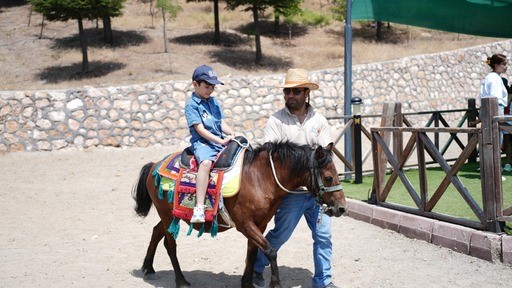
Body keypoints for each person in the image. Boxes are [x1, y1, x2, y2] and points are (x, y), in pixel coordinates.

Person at [253, 68, 339, 288]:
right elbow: (270, 156)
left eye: (296, 91)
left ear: (306, 93)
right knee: (280, 235)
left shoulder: (319, 121)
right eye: (288, 91)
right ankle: (256, 266)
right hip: (292, 194)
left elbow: (326, 155)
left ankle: (323, 281)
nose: (291, 95)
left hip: (318, 193)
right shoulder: (276, 121)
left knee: (323, 236)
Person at [185, 64, 235, 223]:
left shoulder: (213, 102)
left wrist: (233, 133)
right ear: (195, 84)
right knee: (206, 163)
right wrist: (220, 140)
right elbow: (200, 129)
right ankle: (199, 207)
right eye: (207, 86)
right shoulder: (191, 105)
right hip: (202, 143)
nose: (210, 90)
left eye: (212, 87)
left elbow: (220, 123)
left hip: (218, 141)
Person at [481, 54, 509, 175]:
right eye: (504, 64)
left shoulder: (491, 77)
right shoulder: (494, 79)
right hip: (495, 111)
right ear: (496, 65)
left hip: (490, 111)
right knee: (495, 143)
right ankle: (494, 173)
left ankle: (491, 172)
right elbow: (495, 99)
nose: (506, 67)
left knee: (491, 144)